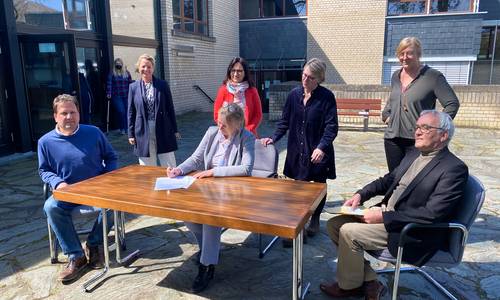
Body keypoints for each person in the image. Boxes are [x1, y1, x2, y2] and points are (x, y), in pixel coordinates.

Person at [320, 110, 468, 300]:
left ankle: (348, 287)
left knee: (349, 232)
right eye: (417, 127)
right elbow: (388, 180)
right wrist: (361, 194)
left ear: (443, 135)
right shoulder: (415, 153)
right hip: (389, 215)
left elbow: (432, 214)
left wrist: (384, 217)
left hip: (412, 231)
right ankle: (370, 281)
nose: (418, 132)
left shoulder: (453, 168)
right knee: (334, 225)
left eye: (425, 127)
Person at [166, 103, 255, 293]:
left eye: (224, 125)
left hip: (231, 193)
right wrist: (178, 170)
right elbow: (196, 158)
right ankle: (209, 251)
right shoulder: (211, 132)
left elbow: (246, 168)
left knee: (210, 219)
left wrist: (214, 171)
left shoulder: (246, 137)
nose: (219, 127)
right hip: (205, 188)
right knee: (185, 212)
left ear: (236, 125)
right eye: (218, 122)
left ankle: (206, 266)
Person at [38, 94, 117, 283]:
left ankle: (95, 244)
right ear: (55, 116)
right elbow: (44, 170)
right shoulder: (45, 142)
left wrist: (108, 177)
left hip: (97, 189)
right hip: (68, 191)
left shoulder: (94, 132)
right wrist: (57, 183)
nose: (69, 117)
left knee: (119, 203)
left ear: (79, 114)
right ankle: (76, 255)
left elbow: (111, 157)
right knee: (50, 207)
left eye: (72, 112)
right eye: (64, 113)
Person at [261, 58, 338, 243]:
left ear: (319, 79)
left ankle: (316, 218)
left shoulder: (326, 97)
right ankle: (299, 227)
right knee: (297, 191)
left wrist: (321, 147)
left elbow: (331, 127)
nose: (305, 79)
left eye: (310, 77)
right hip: (297, 150)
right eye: (304, 75)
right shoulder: (294, 95)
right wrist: (274, 137)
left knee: (318, 187)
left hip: (318, 151)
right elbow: (285, 121)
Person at [382, 36, 460, 172]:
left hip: (419, 141)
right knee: (394, 180)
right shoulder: (396, 76)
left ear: (418, 54)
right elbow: (393, 101)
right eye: (401, 53)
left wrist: (436, 128)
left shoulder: (433, 77)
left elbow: (452, 103)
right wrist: (387, 116)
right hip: (393, 140)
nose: (404, 57)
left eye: (409, 53)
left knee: (416, 181)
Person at [128, 54, 180, 167]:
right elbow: (131, 112)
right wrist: (131, 134)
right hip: (142, 129)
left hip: (163, 127)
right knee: (147, 167)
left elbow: (170, 108)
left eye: (149, 67)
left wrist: (175, 130)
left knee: (169, 164)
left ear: (153, 68)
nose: (146, 69)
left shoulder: (162, 85)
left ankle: (171, 183)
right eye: (143, 66)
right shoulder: (133, 87)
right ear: (139, 67)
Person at [213, 57, 262, 137]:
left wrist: (248, 130)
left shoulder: (252, 91)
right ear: (229, 71)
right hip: (227, 135)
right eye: (233, 70)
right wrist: (227, 130)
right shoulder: (223, 90)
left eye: (239, 71)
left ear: (245, 72)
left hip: (247, 135)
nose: (236, 74)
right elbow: (216, 114)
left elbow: (258, 114)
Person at [107, 58, 132, 134]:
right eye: (117, 63)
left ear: (122, 64)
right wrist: (109, 93)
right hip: (116, 96)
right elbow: (109, 83)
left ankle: (127, 128)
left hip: (126, 95)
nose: (118, 65)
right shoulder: (112, 73)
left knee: (127, 112)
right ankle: (122, 128)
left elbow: (130, 83)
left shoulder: (126, 73)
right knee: (121, 111)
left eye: (120, 63)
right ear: (115, 65)